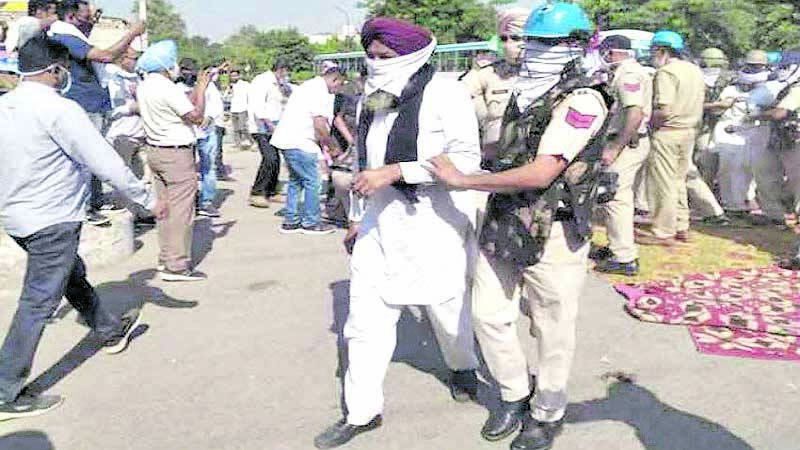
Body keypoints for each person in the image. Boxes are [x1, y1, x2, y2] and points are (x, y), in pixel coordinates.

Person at [428, 4, 611, 449]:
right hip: (508, 218)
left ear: (575, 47)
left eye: (548, 44)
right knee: (488, 315)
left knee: (551, 327)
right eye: (533, 42)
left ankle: (547, 412)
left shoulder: (582, 98)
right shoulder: (525, 90)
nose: (535, 51)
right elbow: (506, 143)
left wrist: (464, 178)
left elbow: (542, 171)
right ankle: (514, 393)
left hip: (555, 229)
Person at [313, 18, 481, 449]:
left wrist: (398, 171)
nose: (375, 64)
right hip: (379, 223)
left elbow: (465, 158)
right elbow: (360, 165)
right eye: (370, 56)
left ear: (412, 55)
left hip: (434, 220)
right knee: (363, 321)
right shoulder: (371, 96)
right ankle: (361, 411)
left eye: (384, 58)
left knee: (446, 309)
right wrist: (354, 217)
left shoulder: (445, 92)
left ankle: (462, 367)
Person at [0, 35, 164, 421]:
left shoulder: (5, 107)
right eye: (64, 71)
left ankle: (107, 329)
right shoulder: (61, 110)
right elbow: (104, 162)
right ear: (56, 70)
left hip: (17, 218)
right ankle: (5, 389)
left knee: (69, 274)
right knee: (38, 301)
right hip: (51, 218)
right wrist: (148, 201)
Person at [50, 0, 146, 226]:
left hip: (93, 104)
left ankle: (93, 201)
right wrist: (131, 34)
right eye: (86, 18)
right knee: (85, 159)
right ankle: (85, 208)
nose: (89, 23)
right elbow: (105, 56)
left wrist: (91, 24)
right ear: (72, 17)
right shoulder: (63, 36)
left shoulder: (73, 34)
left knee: (92, 158)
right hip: (84, 103)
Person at [136, 40, 211, 282]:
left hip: (156, 151)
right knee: (181, 210)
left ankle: (166, 257)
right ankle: (177, 265)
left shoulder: (145, 85)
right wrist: (201, 87)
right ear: (167, 64)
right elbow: (196, 117)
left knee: (165, 209)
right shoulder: (166, 88)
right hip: (176, 154)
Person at [637, 31, 709, 246]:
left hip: (667, 132)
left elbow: (664, 110)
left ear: (662, 50)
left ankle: (663, 231)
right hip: (689, 131)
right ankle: (681, 225)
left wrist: (647, 124)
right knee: (678, 181)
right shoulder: (694, 70)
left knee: (662, 183)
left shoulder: (666, 73)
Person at [593, 35, 653, 277]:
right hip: (627, 142)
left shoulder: (628, 74)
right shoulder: (626, 72)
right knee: (613, 198)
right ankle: (616, 245)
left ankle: (624, 256)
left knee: (615, 197)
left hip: (626, 143)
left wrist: (615, 147)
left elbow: (634, 112)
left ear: (610, 53)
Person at [270, 64, 344, 235]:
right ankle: (311, 222)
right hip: (300, 141)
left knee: (296, 181)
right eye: (339, 85)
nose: (338, 89)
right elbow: (319, 124)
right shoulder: (320, 91)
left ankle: (291, 220)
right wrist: (332, 147)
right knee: (313, 181)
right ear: (334, 79)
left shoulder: (308, 86)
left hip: (287, 140)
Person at [711, 51, 774, 219]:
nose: (752, 69)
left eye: (757, 66)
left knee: (752, 170)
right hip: (730, 131)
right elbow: (719, 109)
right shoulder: (731, 88)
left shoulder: (769, 88)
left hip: (757, 131)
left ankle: (749, 200)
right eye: (750, 66)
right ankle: (732, 205)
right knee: (728, 169)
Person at [460, 8, 528, 158]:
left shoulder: (552, 73)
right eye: (503, 39)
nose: (509, 44)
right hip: (495, 159)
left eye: (517, 38)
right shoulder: (486, 73)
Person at [248, 59, 292, 208]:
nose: (286, 75)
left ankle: (271, 190)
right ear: (280, 69)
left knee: (276, 160)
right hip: (261, 127)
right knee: (270, 159)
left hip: (275, 126)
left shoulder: (278, 83)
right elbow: (257, 106)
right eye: (286, 72)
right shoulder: (261, 81)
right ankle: (257, 192)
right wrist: (269, 124)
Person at [696, 47, 735, 188]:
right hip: (705, 124)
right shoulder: (698, 77)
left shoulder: (729, 78)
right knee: (705, 158)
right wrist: (716, 105)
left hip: (721, 124)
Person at [227, 69, 251, 148]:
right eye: (232, 76)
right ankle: (238, 143)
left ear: (239, 76)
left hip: (243, 108)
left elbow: (250, 96)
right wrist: (229, 90)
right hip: (233, 109)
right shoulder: (230, 86)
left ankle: (252, 141)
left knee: (243, 127)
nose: (234, 77)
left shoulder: (245, 84)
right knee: (236, 128)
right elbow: (226, 97)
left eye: (235, 75)